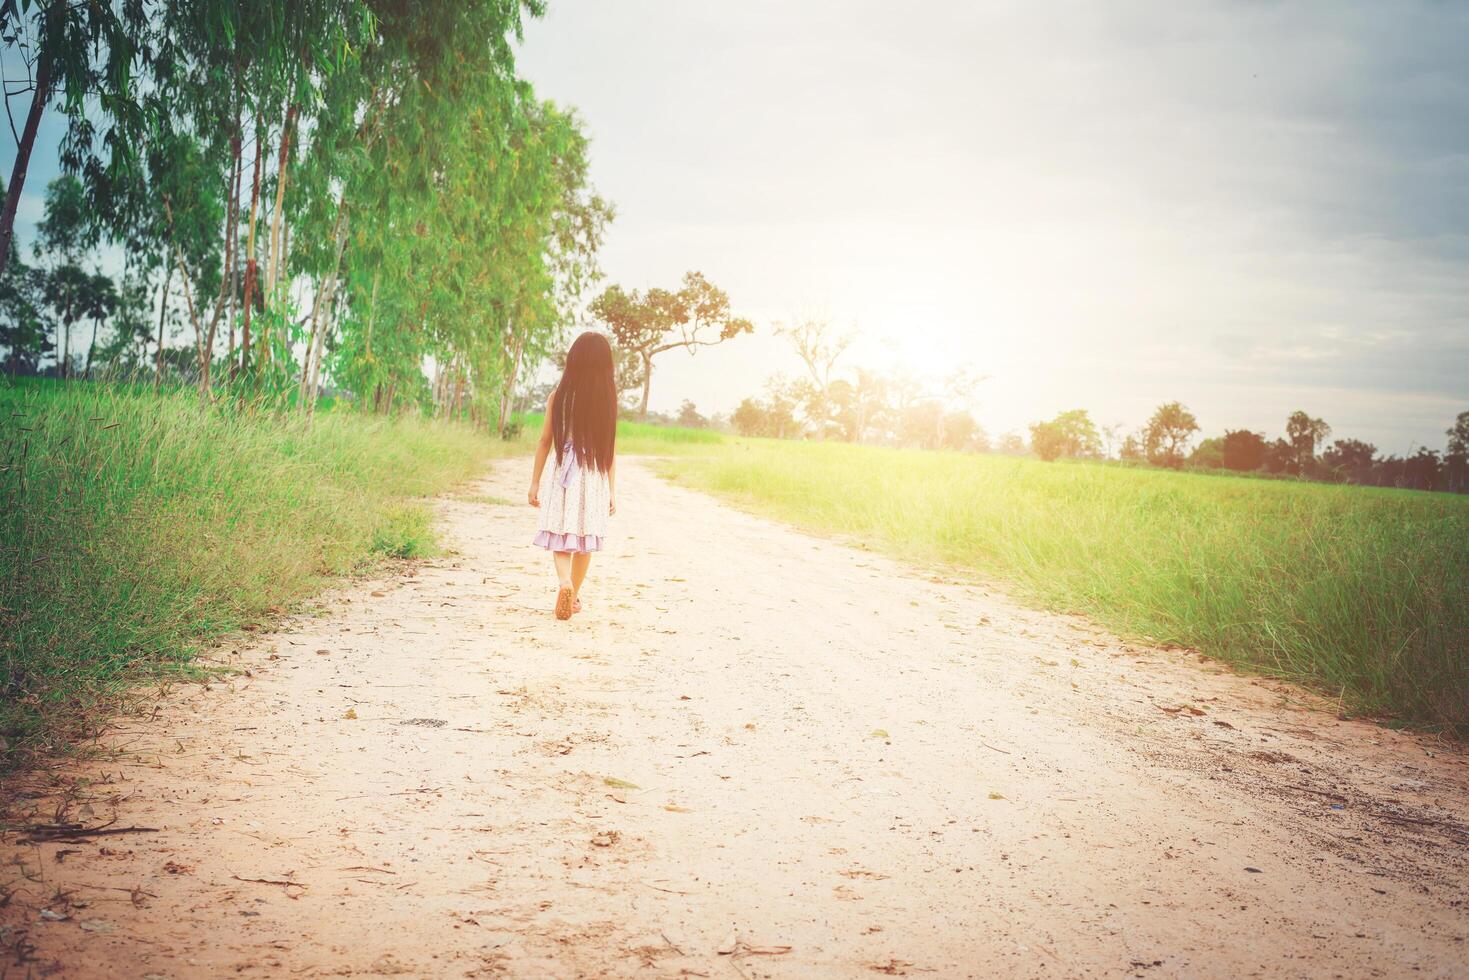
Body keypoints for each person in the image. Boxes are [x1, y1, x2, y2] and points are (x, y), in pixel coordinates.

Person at [528, 331, 618, 620]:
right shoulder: (606, 401)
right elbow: (610, 450)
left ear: (573, 361)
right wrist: (612, 492)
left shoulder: (559, 397)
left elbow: (544, 441)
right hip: (593, 475)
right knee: (584, 538)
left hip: (564, 470)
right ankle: (574, 594)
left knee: (560, 532)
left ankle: (564, 582)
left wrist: (534, 482)